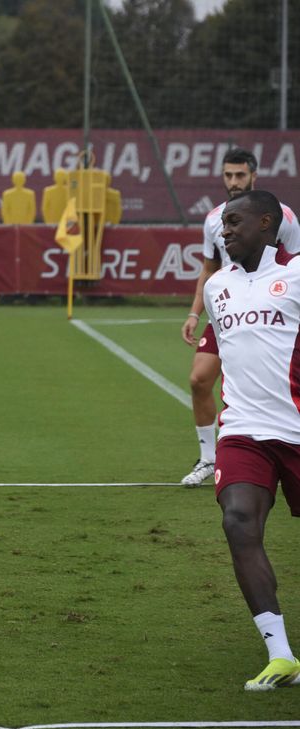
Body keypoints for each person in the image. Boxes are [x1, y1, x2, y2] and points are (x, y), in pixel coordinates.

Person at [203, 189, 300, 690]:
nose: (226, 231)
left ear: (267, 223)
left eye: (236, 222)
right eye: (224, 223)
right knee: (238, 522)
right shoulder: (216, 286)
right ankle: (280, 655)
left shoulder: (299, 272)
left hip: (297, 430)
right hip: (242, 431)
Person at [180, 149, 300, 486]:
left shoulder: (283, 216)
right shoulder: (213, 219)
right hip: (228, 305)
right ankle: (209, 459)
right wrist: (194, 312)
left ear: (253, 176)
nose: (234, 182)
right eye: (229, 175)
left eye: (240, 175)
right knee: (198, 379)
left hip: (273, 307)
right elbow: (209, 269)